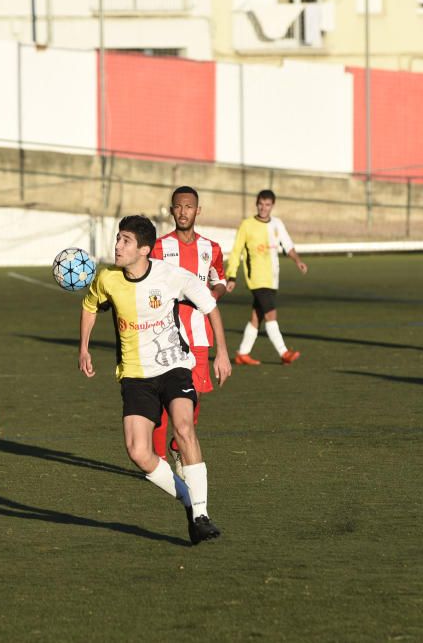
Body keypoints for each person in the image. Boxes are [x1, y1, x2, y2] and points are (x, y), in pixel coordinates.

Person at [79, 215, 231, 545]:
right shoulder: (107, 279)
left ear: (145, 250)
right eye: (117, 239)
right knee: (138, 452)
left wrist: (222, 353)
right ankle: (191, 503)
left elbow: (209, 306)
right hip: (135, 375)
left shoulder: (170, 276)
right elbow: (90, 304)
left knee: (184, 426)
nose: (117, 246)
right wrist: (84, 348)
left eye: (125, 241)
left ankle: (202, 515)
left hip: (174, 367)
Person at [149, 186, 226, 476]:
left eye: (189, 207)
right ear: (171, 211)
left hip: (198, 333)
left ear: (198, 211)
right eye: (178, 207)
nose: (183, 212)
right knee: (163, 400)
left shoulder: (212, 248)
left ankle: (178, 446)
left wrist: (213, 296)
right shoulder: (158, 247)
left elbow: (220, 280)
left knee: (194, 397)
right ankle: (159, 461)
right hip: (163, 333)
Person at [225, 189, 307, 365]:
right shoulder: (247, 225)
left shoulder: (277, 224)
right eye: (261, 204)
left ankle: (242, 353)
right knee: (271, 314)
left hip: (272, 278)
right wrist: (231, 276)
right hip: (256, 279)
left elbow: (288, 245)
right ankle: (284, 353)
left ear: (272, 206)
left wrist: (298, 261)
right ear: (257, 204)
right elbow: (236, 251)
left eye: (267, 205)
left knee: (257, 316)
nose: (263, 208)